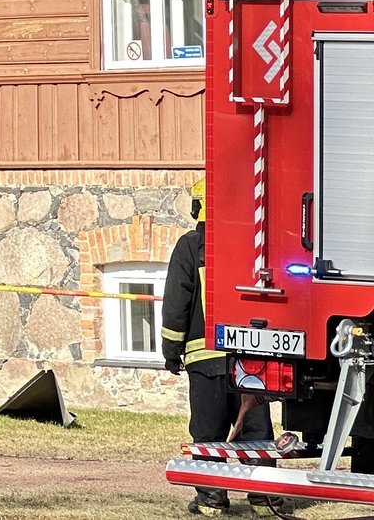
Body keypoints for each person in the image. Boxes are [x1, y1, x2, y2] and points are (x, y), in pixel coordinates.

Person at [162, 178, 285, 516]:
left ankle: (212, 500)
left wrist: (171, 351)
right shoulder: (250, 244)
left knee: (208, 432)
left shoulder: (190, 247)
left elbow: (177, 301)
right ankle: (264, 497)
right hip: (250, 359)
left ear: (198, 207)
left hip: (205, 359)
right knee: (256, 430)